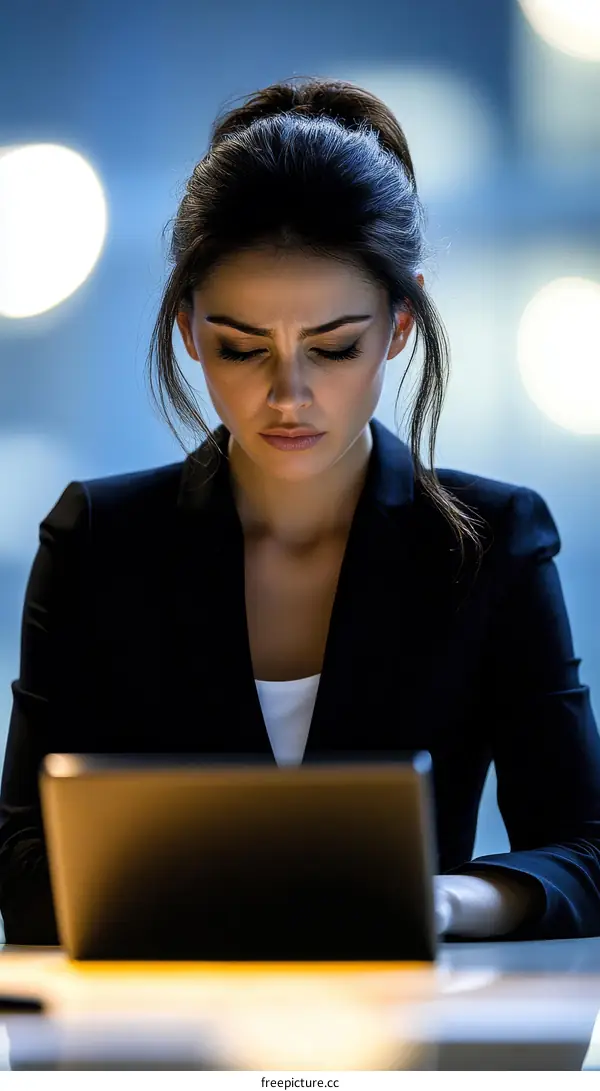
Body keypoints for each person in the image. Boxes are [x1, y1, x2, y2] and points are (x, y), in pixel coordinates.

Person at [1, 76, 599, 948]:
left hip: (411, 1048)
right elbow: (19, 863)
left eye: (334, 347)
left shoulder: (490, 543)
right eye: (241, 348)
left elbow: (584, 850)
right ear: (186, 327)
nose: (289, 394)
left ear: (399, 325)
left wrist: (432, 901)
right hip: (154, 1047)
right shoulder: (99, 542)